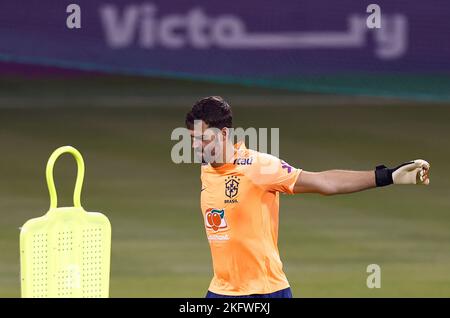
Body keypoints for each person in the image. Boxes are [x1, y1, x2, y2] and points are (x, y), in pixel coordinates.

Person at [185, 96, 430, 298]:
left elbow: (324, 182)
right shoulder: (208, 169)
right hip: (220, 291)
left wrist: (387, 176)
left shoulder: (259, 167)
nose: (196, 146)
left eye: (203, 138)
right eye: (192, 139)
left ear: (224, 134)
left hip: (264, 292)